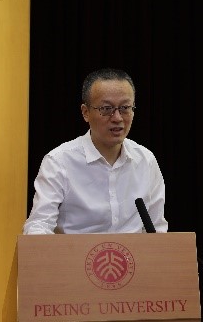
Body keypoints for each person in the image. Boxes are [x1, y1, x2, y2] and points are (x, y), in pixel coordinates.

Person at [23, 68, 168, 234]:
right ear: (86, 112)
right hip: (76, 251)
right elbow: (38, 226)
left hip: (134, 252)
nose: (117, 118)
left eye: (125, 108)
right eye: (106, 109)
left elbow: (157, 230)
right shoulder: (59, 161)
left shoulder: (146, 160)